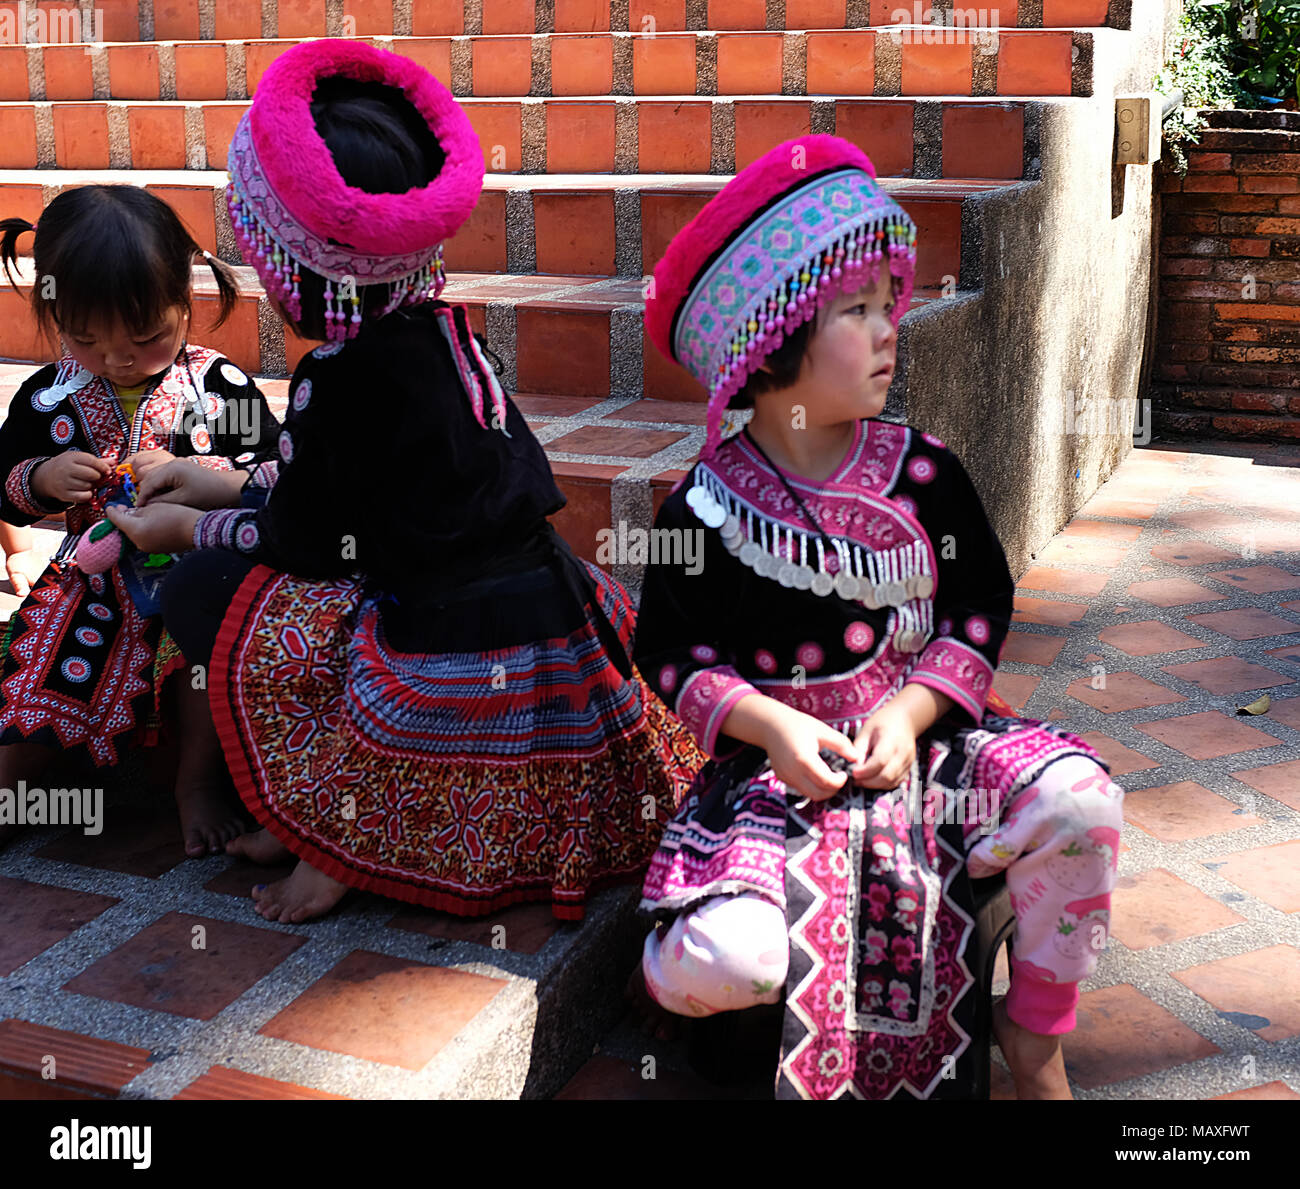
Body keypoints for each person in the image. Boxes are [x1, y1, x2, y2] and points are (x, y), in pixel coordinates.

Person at [108, 39, 704, 926]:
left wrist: (186, 527)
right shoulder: (436, 333)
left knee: (209, 592)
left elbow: (304, 537)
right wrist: (220, 480)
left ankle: (342, 838)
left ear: (296, 264)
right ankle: (306, 819)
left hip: (451, 652)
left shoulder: (339, 377)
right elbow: (347, 487)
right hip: (547, 613)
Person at [631, 134, 1125, 1100]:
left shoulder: (925, 472)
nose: (891, 328)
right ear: (769, 339)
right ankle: (657, 956)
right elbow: (670, 651)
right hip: (777, 786)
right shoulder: (704, 507)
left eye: (885, 303)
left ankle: (1034, 1034)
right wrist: (768, 726)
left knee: (1083, 807)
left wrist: (910, 714)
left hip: (930, 753)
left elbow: (978, 604)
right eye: (855, 311)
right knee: (733, 961)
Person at [0, 186, 281, 855]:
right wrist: (40, 478)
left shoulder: (221, 389)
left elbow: (270, 477)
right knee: (45, 653)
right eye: (88, 339)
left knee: (200, 654)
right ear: (55, 315)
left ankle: (196, 786)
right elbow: (3, 485)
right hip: (92, 582)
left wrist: (205, 486)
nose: (120, 358)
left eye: (147, 335)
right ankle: (13, 788)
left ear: (184, 300)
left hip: (196, 568)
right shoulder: (49, 395)